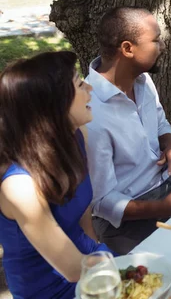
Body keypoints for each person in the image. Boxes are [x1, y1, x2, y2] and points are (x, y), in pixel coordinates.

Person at [86, 7, 171, 255]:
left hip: (168, 189)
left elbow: (159, 121)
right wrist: (162, 208)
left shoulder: (143, 80)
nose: (162, 46)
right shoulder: (90, 113)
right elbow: (101, 202)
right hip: (127, 221)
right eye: (156, 40)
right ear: (128, 49)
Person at [0, 51, 111, 299]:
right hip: (47, 288)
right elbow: (73, 270)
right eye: (80, 84)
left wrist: (97, 249)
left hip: (87, 257)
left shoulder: (78, 134)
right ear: (54, 103)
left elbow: (82, 209)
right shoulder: (19, 186)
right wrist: (126, 268)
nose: (90, 88)